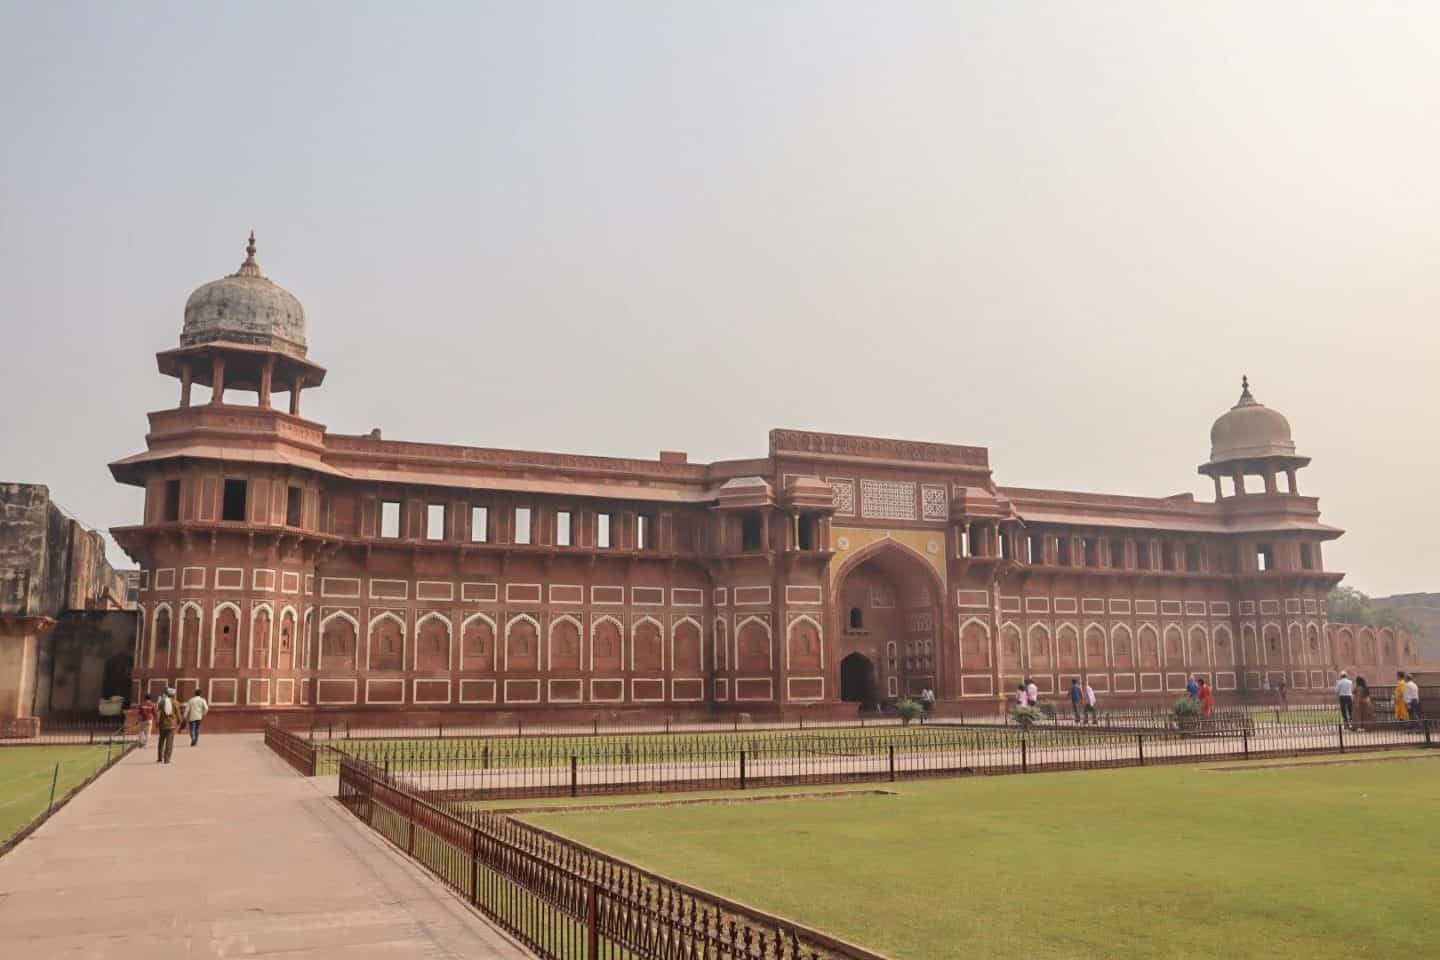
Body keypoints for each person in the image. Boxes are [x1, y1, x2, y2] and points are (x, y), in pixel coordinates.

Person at [155, 687, 181, 764]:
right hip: (171, 724)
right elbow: (178, 714)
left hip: (162, 724)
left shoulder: (162, 702)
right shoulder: (176, 702)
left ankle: (160, 757)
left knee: (161, 741)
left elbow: (158, 713)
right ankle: (167, 759)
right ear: (173, 695)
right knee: (169, 742)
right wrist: (179, 722)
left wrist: (157, 722)